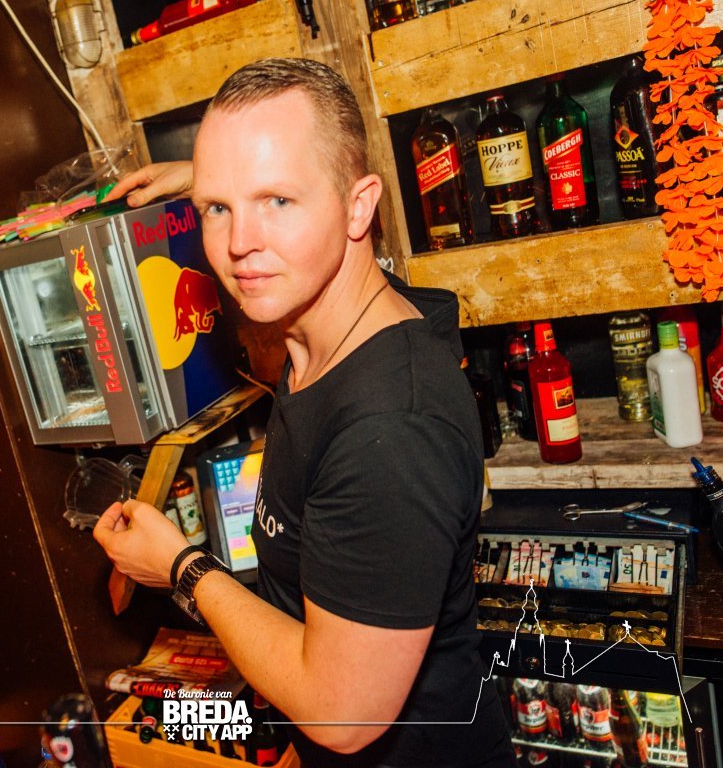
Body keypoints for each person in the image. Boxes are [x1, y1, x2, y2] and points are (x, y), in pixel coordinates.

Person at [93, 59, 513, 767]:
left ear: (359, 207)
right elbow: (289, 186)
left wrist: (181, 565)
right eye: (218, 209)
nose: (238, 243)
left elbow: (342, 716)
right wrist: (218, 182)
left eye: (278, 200)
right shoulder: (331, 320)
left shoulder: (391, 430)